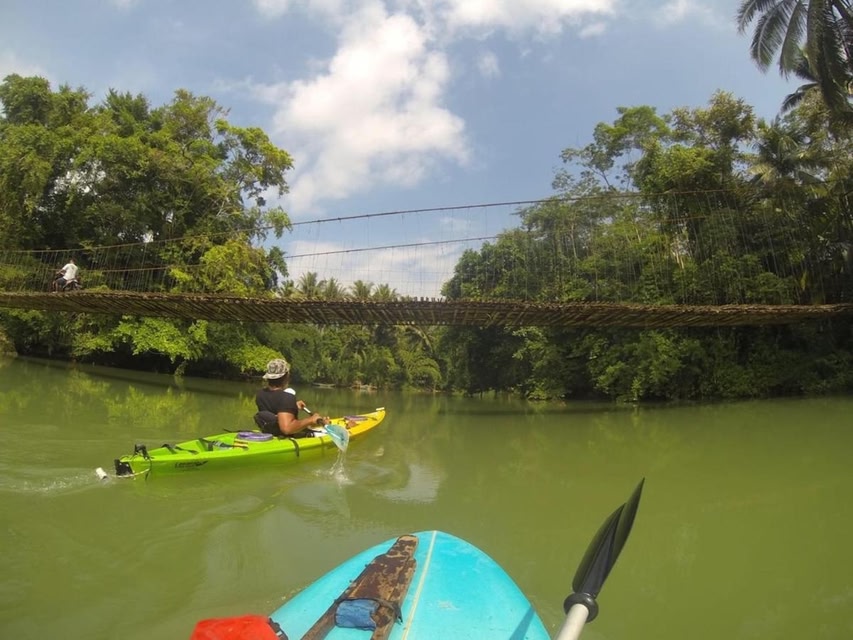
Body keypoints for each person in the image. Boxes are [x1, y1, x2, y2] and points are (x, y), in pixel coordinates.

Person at [254, 358, 330, 437]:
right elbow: (287, 429)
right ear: (286, 376)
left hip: (271, 433)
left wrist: (293, 406)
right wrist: (311, 420)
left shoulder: (260, 394)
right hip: (288, 436)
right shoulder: (287, 397)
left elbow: (274, 413)